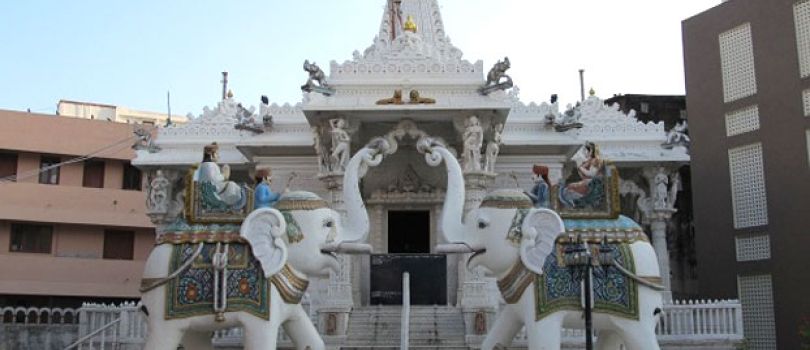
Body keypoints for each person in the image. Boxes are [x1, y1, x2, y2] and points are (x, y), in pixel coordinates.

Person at [560, 142, 604, 207]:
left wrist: (580, 166)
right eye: (583, 151)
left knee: (570, 188)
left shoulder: (594, 160)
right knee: (569, 187)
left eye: (585, 151)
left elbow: (591, 174)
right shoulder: (588, 161)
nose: (584, 152)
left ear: (591, 151)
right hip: (586, 182)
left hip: (590, 183)